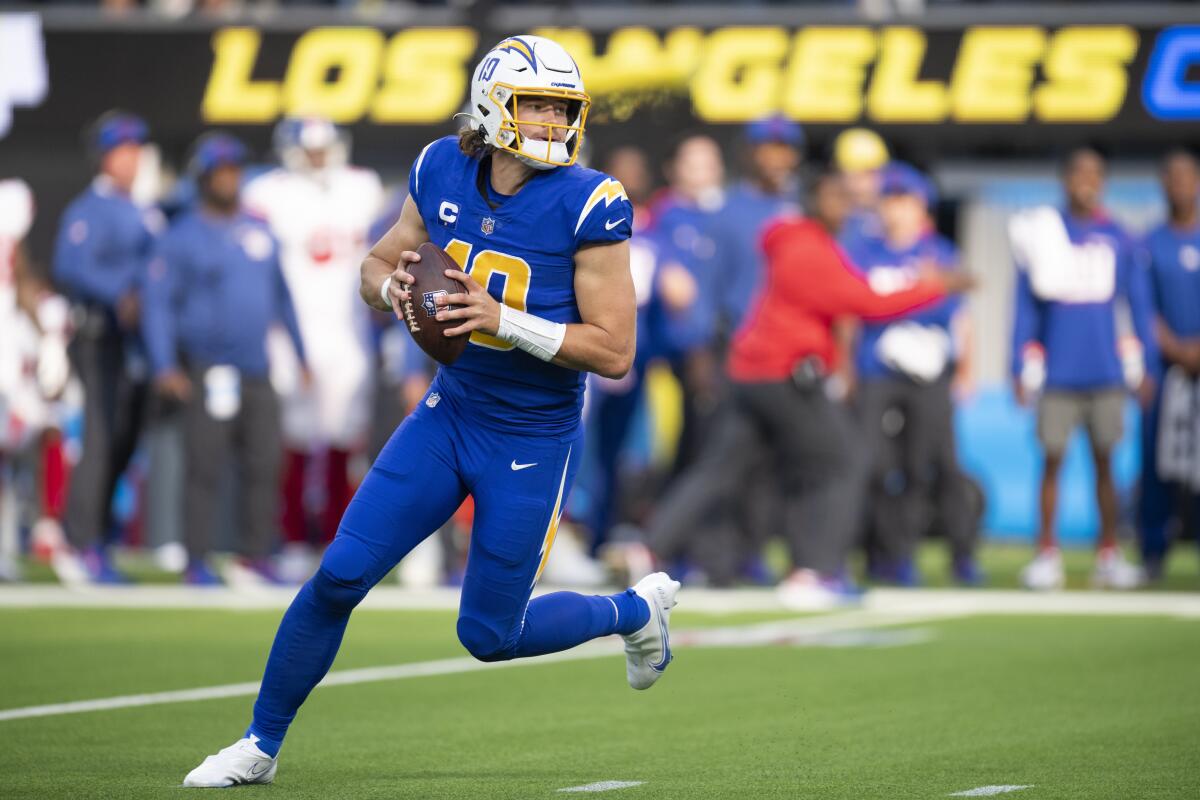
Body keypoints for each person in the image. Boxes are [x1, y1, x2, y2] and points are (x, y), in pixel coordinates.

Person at [183, 35, 679, 788]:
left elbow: (614, 352)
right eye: (535, 105)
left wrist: (499, 319)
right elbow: (376, 266)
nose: (551, 122)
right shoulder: (441, 165)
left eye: (562, 108)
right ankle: (259, 745)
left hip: (530, 436)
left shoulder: (591, 200)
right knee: (339, 576)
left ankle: (632, 613)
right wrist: (398, 295)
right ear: (492, 103)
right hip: (450, 414)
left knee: (488, 633)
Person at [646, 167, 971, 610]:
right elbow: (865, 303)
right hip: (782, 375)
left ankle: (648, 548)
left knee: (720, 467)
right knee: (844, 461)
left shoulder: (799, 240)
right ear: (814, 202)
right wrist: (931, 287)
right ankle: (813, 571)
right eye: (835, 197)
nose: (846, 207)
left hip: (753, 374)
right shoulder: (806, 246)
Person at [141, 133, 309, 587]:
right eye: (221, 172)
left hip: (256, 367)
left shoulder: (259, 230)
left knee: (265, 461)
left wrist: (301, 351)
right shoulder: (181, 236)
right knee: (205, 465)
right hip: (207, 366)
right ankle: (196, 558)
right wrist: (164, 365)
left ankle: (254, 556)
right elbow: (157, 305)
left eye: (235, 170)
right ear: (203, 178)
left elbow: (283, 296)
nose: (230, 179)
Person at [1009, 146, 1157, 591]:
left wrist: (1144, 364)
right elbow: (1024, 308)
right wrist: (1018, 362)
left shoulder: (1118, 236)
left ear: (1104, 181)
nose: (1085, 182)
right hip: (1058, 370)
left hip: (1106, 370)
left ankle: (1108, 553)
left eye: (1094, 174)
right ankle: (1046, 554)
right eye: (1078, 173)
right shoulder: (1044, 231)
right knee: (1051, 460)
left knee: (1105, 463)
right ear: (1065, 179)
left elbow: (1138, 305)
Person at [244, 117, 385, 581]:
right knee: (294, 439)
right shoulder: (269, 192)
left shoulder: (361, 188)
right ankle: (291, 538)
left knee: (346, 438)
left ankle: (335, 538)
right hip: (291, 332)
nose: (319, 159)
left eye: (325, 150)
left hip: (347, 332)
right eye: (311, 150)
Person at [846, 162, 979, 585]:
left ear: (921, 206)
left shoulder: (940, 253)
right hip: (877, 371)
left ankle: (962, 555)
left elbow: (963, 317)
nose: (896, 209)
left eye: (905, 200)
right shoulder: (865, 252)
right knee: (876, 467)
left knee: (936, 465)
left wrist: (966, 370)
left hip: (929, 373)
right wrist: (845, 368)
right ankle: (888, 554)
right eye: (890, 199)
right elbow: (848, 316)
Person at [50, 111, 161, 584]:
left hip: (130, 344)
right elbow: (69, 265)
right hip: (98, 337)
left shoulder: (139, 209)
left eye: (136, 150)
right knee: (97, 437)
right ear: (104, 157)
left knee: (123, 440)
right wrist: (121, 292)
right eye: (123, 151)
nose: (132, 160)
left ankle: (99, 535)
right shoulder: (90, 208)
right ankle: (79, 542)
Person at [1139, 148, 1200, 581]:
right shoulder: (1150, 242)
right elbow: (1144, 308)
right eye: (1171, 176)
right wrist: (1176, 349)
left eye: (1187, 176)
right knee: (1157, 462)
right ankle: (1153, 552)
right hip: (1165, 368)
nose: (1179, 184)